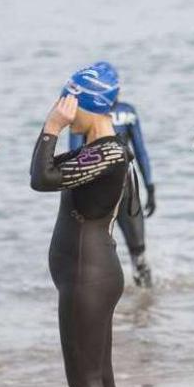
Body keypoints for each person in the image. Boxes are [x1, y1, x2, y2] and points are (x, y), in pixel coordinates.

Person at [29, 62, 131, 387]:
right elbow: (53, 173)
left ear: (90, 104)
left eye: (71, 101)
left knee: (84, 379)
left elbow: (41, 176)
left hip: (89, 276)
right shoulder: (97, 150)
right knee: (98, 377)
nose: (64, 107)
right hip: (89, 273)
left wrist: (51, 126)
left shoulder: (106, 152)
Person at [70, 94, 156, 288]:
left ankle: (141, 306)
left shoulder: (84, 113)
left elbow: (73, 157)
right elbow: (140, 151)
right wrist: (150, 186)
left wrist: (150, 188)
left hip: (97, 192)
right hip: (123, 188)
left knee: (97, 254)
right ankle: (145, 304)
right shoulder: (127, 112)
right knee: (137, 252)